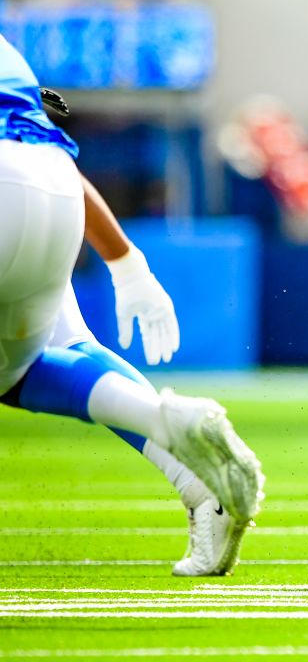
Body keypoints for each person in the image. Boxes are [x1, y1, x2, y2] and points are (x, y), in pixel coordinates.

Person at [0, 34, 264, 574]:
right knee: (55, 352)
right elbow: (41, 155)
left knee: (14, 374)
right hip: (56, 185)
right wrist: (127, 264)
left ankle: (168, 420)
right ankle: (191, 468)